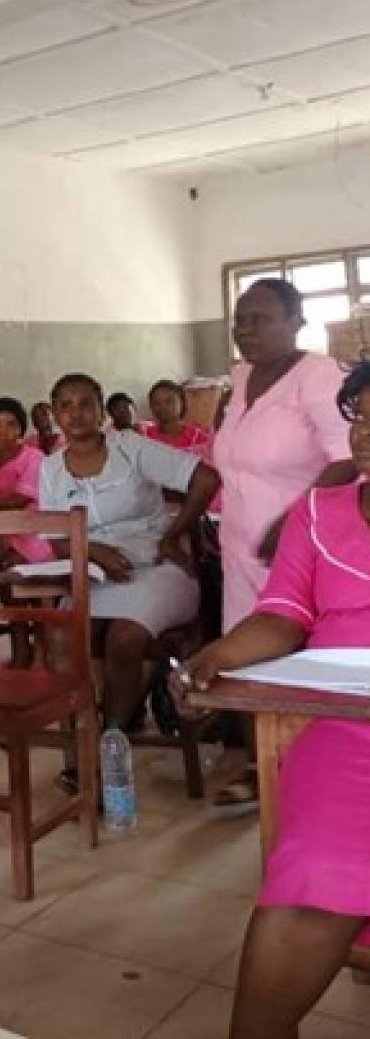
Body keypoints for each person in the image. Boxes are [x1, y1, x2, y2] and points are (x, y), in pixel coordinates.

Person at [182, 361, 370, 1039]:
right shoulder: (322, 510)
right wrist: (216, 658)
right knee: (320, 864)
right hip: (349, 731)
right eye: (365, 419)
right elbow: (284, 612)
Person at [210, 277, 353, 812]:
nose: (246, 330)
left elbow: (347, 459)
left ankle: (312, 771)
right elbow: (218, 461)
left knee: (298, 653)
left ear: (296, 322)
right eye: (240, 320)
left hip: (305, 550)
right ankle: (261, 766)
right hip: (239, 546)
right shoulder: (241, 376)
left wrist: (294, 524)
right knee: (246, 657)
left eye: (261, 319)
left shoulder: (318, 377)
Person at [40, 373, 220, 737]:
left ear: (102, 408)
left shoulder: (132, 447)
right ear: (55, 414)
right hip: (94, 573)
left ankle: (111, 737)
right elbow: (57, 538)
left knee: (124, 637)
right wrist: (95, 551)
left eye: (86, 404)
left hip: (157, 567)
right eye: (65, 406)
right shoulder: (50, 468)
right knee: (60, 635)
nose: (76, 414)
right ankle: (84, 733)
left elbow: (206, 479)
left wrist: (173, 536)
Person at [0, 396, 52, 563]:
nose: (3, 430)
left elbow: (20, 500)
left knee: (20, 555)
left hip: (24, 526)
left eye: (11, 424)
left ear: (21, 430)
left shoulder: (34, 457)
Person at [143, 380, 212, 455]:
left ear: (182, 402)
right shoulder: (145, 437)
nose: (163, 407)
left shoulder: (198, 437)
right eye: (156, 403)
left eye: (169, 401)